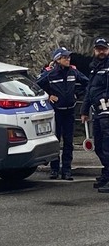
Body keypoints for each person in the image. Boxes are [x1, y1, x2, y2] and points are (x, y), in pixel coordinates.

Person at [37, 47, 89, 180]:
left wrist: (78, 93)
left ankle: (67, 170)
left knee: (68, 142)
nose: (68, 59)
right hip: (56, 113)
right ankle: (54, 169)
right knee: (56, 141)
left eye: (69, 57)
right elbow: (35, 87)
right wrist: (48, 96)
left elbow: (87, 83)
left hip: (70, 112)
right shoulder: (50, 74)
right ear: (57, 59)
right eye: (65, 57)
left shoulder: (73, 71)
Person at [80, 38, 109, 192]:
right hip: (98, 111)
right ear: (94, 50)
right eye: (98, 49)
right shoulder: (94, 68)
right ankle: (107, 173)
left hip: (107, 111)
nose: (101, 52)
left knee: (107, 146)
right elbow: (89, 91)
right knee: (99, 146)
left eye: (103, 49)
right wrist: (84, 111)